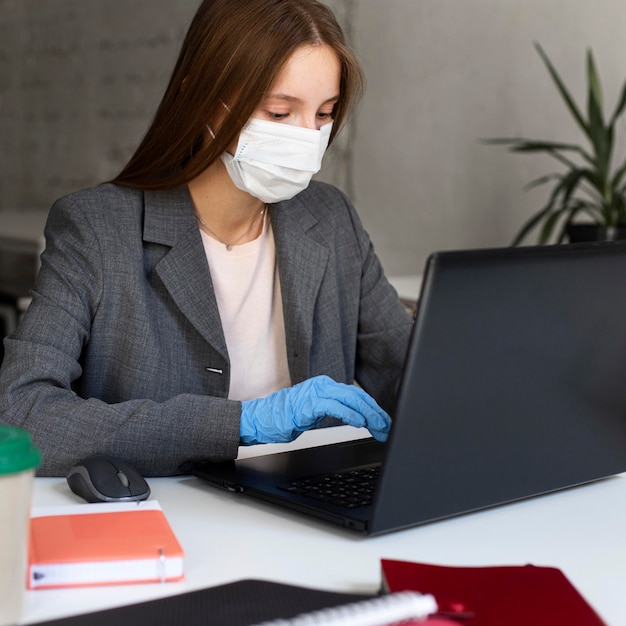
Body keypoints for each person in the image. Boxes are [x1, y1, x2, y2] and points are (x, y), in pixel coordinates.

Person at [0, 0, 412, 476]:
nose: (307, 138)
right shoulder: (97, 229)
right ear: (203, 100)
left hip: (308, 521)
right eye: (279, 112)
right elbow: (20, 414)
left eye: (324, 113)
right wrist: (239, 423)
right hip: (166, 524)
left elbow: (409, 375)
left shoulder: (329, 218)